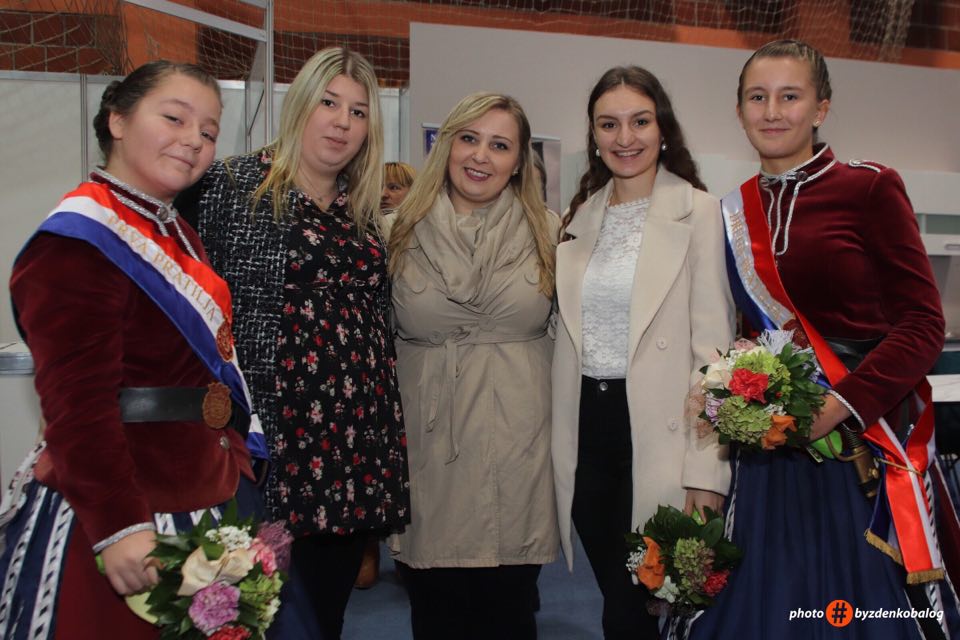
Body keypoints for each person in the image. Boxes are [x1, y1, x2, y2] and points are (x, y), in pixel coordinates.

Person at [685, 39, 960, 639]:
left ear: (821, 108)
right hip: (771, 455)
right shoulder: (730, 212)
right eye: (757, 97)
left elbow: (922, 325)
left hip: (861, 446)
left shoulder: (869, 187)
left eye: (790, 96)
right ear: (739, 111)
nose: (772, 112)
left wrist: (838, 406)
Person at [0, 61, 267, 639]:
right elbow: (77, 403)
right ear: (118, 120)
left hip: (201, 486)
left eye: (209, 131)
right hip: (128, 506)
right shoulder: (79, 239)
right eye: (174, 118)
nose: (194, 139)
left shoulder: (173, 231)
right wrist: (118, 525)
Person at [179, 47, 410, 639]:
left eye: (358, 112)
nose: (342, 122)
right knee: (252, 616)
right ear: (301, 104)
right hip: (270, 448)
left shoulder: (364, 211)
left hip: (351, 452)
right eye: (329, 103)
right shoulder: (231, 186)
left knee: (325, 618)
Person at [551, 66, 735, 639]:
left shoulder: (700, 212)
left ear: (662, 129)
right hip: (587, 433)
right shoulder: (578, 219)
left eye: (640, 121)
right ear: (593, 135)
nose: (625, 137)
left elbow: (714, 354)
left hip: (660, 436)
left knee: (637, 602)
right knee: (618, 590)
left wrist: (706, 473)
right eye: (609, 124)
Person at [385, 92, 559, 640]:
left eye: (500, 145)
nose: (481, 155)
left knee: (510, 616)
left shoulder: (551, 233)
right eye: (469, 138)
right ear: (446, 146)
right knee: (436, 615)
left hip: (520, 448)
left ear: (519, 161)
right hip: (430, 450)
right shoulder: (395, 232)